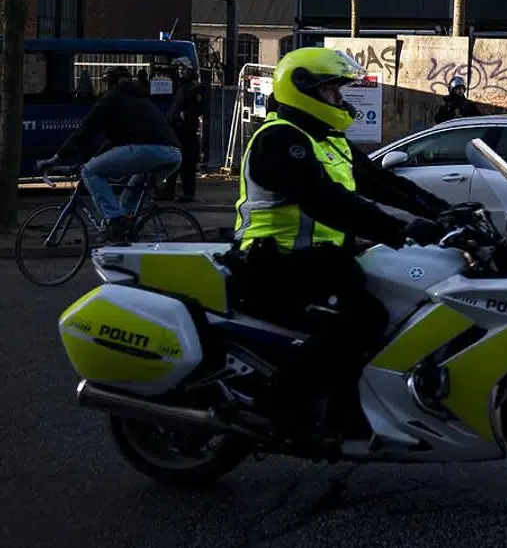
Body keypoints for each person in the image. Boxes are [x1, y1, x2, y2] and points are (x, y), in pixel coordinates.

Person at [229, 47, 450, 443]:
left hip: (320, 263)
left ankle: (349, 409)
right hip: (275, 266)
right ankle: (278, 405)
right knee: (364, 320)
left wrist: (444, 211)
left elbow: (383, 184)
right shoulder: (280, 140)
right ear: (304, 90)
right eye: (331, 90)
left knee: (395, 306)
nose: (340, 99)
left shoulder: (328, 140)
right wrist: (400, 231)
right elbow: (326, 201)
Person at [37, 67, 183, 243]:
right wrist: (94, 159)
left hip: (147, 150)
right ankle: (124, 236)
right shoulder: (139, 99)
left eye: (106, 84)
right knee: (128, 200)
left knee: (91, 172)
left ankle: (115, 220)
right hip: (173, 154)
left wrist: (56, 158)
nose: (105, 88)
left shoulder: (112, 99)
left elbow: (85, 130)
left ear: (110, 84)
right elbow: (112, 142)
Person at [158, 59, 205, 202]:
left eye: (183, 69)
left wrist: (183, 117)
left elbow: (196, 110)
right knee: (174, 162)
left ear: (190, 71)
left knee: (187, 165)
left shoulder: (193, 88)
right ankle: (168, 192)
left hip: (186, 134)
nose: (180, 71)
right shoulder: (181, 87)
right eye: (179, 69)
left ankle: (188, 194)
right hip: (177, 132)